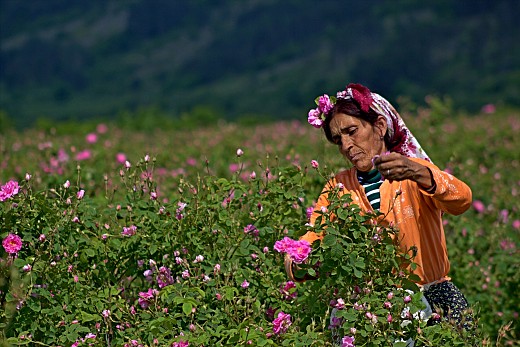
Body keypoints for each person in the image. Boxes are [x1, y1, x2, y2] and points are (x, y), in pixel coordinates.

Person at [285, 83, 473, 330]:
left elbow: (462, 200)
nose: (346, 145)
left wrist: (420, 173)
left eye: (352, 131)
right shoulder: (337, 187)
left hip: (433, 299)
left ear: (380, 126)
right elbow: (314, 237)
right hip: (373, 308)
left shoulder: (413, 172)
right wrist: (298, 261)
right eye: (338, 139)